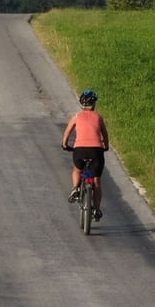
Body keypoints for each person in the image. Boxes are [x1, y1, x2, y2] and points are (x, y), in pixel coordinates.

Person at [61, 89, 109, 220]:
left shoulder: (76, 116)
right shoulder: (98, 117)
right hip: (96, 151)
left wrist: (65, 145)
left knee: (77, 169)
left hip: (80, 150)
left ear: (81, 104)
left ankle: (75, 188)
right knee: (97, 181)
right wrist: (106, 146)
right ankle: (97, 210)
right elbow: (104, 134)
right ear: (94, 104)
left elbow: (67, 133)